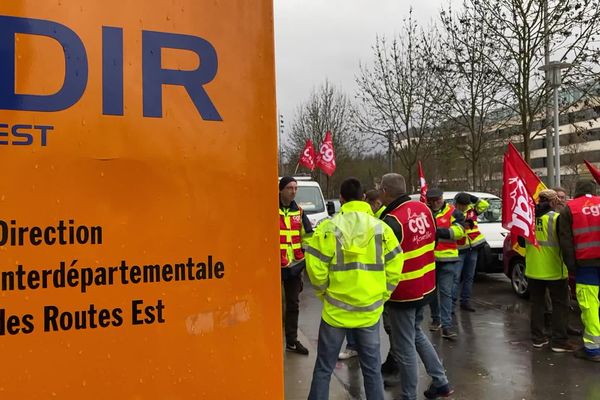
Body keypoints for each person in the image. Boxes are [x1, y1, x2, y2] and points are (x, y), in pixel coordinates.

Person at [305, 177, 404, 399]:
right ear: (363, 198)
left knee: (323, 369)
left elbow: (314, 266)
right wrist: (382, 295)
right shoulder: (382, 229)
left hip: (335, 313)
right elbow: (396, 264)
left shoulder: (329, 228)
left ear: (341, 199)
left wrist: (324, 293)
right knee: (371, 370)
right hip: (369, 312)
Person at [379, 173, 454, 400]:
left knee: (404, 348)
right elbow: (433, 242)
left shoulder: (391, 220)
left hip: (403, 291)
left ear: (385, 191)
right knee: (416, 334)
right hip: (425, 286)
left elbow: (384, 259)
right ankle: (440, 381)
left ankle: (408, 395)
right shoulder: (424, 210)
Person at [520, 189, 578, 352]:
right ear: (552, 202)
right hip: (554, 269)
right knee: (560, 305)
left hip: (533, 269)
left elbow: (521, 241)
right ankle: (559, 341)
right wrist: (572, 265)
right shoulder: (556, 218)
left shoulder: (527, 218)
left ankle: (538, 338)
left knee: (537, 305)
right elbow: (566, 243)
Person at [338, 188, 385, 361]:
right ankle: (354, 347)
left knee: (325, 364)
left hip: (351, 293)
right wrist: (385, 291)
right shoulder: (379, 224)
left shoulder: (334, 224)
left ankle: (353, 347)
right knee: (372, 362)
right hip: (369, 295)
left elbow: (316, 265)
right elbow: (395, 259)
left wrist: (324, 292)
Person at [559, 179, 600, 362]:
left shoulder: (570, 209)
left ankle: (593, 350)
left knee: (590, 306)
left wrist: (571, 266)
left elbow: (566, 242)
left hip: (586, 265)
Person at [279, 176, 312, 355]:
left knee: (293, 304)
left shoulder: (299, 212)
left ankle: (291, 341)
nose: (293, 191)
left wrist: (303, 259)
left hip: (294, 267)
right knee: (274, 306)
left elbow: (308, 236)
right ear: (281, 190)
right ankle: (272, 338)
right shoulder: (270, 209)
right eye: (290, 188)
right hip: (274, 267)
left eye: (295, 188)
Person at [426, 188, 465, 339]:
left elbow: (460, 232)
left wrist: (438, 231)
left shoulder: (454, 212)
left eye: (439, 200)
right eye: (434, 201)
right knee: (431, 293)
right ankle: (436, 320)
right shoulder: (425, 212)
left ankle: (447, 326)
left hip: (448, 259)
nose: (437, 203)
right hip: (429, 259)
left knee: (445, 292)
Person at [453, 192, 489, 312]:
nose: (463, 207)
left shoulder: (472, 210)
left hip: (473, 248)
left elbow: (485, 205)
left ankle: (465, 301)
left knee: (469, 277)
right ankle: (451, 305)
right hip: (459, 249)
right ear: (456, 204)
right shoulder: (451, 213)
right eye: (461, 205)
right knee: (455, 278)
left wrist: (473, 198)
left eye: (465, 205)